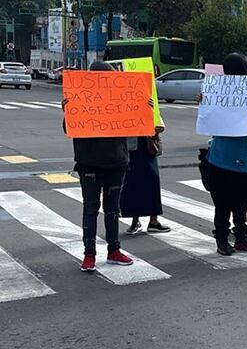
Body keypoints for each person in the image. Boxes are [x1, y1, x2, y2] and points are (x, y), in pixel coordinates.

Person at [62, 61, 136, 271]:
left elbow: (137, 125)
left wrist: (144, 108)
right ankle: (93, 253)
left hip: (114, 162)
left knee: (105, 209)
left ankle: (107, 251)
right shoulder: (80, 99)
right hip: (92, 163)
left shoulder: (121, 98)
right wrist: (69, 110)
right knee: (96, 209)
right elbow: (70, 128)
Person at [202, 53, 247, 255]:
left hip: (234, 158)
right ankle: (230, 238)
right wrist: (204, 102)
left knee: (233, 203)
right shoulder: (219, 90)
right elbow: (208, 119)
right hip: (232, 158)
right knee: (235, 203)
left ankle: (235, 238)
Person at [122, 123, 171, 236]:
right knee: (132, 183)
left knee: (151, 182)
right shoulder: (126, 106)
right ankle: (135, 221)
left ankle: (153, 220)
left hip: (147, 146)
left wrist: (155, 129)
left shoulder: (150, 106)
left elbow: (161, 126)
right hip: (131, 147)